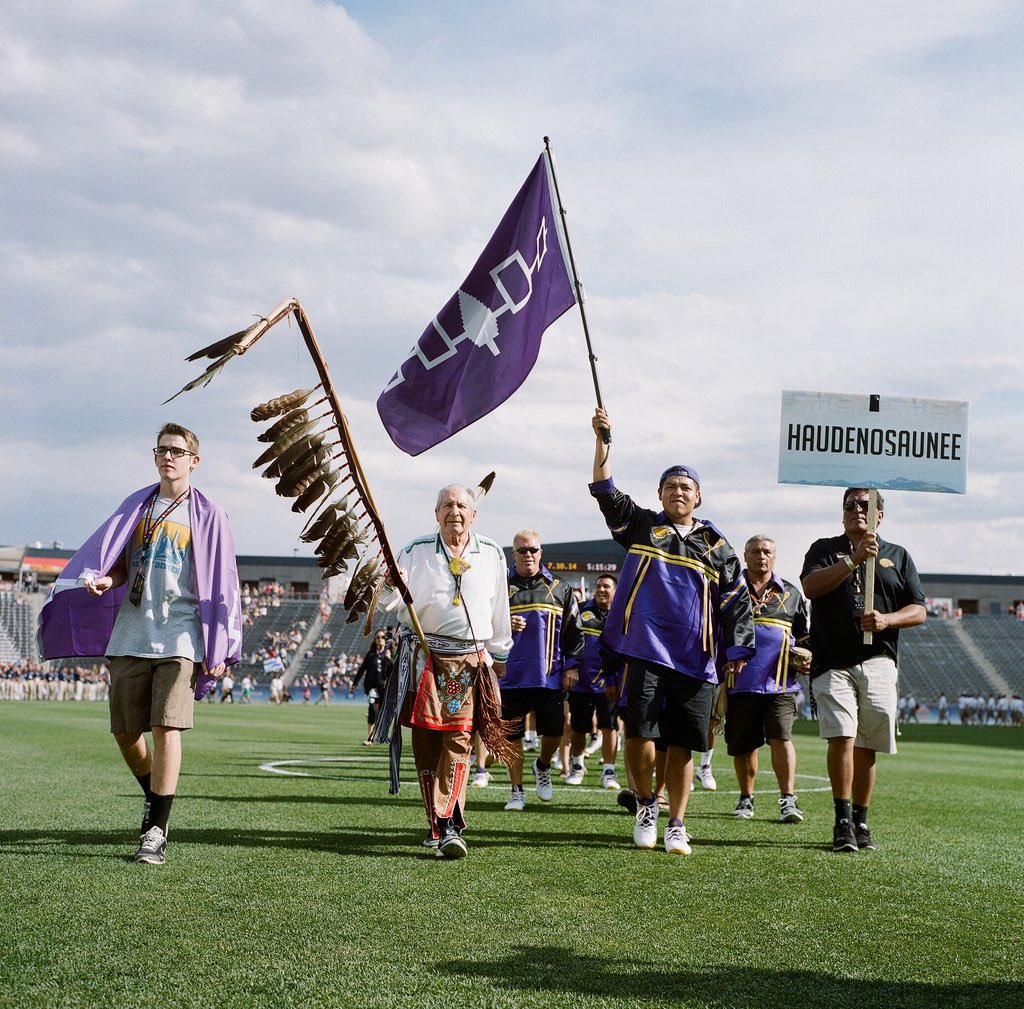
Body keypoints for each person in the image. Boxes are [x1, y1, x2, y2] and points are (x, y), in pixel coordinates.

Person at [37, 423, 242, 865]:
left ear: (194, 461)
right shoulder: (136, 507)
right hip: (132, 631)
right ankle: (155, 794)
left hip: (182, 633)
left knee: (167, 726)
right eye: (162, 450)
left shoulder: (210, 515)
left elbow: (226, 581)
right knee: (126, 731)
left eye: (177, 451)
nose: (168, 456)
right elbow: (122, 565)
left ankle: (156, 830)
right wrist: (106, 579)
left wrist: (222, 643)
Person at [589, 407, 755, 855]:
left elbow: (736, 601)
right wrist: (602, 441)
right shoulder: (643, 526)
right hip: (645, 651)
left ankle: (677, 823)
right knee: (639, 734)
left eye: (685, 487)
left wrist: (738, 651)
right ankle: (647, 804)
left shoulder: (718, 547)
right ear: (659, 494)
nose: (677, 492)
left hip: (696, 658)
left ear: (698, 497)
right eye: (670, 486)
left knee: (683, 744)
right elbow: (604, 490)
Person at [386, 484, 514, 859]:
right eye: (447, 505)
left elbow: (499, 607)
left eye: (461, 505)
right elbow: (390, 603)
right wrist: (391, 582)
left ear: (474, 514)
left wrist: (499, 653)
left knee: (458, 739)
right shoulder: (415, 551)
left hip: (468, 662)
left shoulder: (491, 552)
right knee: (426, 742)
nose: (454, 511)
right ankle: (435, 823)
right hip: (424, 657)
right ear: (436, 513)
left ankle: (450, 825)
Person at [801, 487, 926, 853]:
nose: (857, 509)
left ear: (879, 515)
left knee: (868, 741)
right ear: (842, 514)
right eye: (850, 504)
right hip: (832, 659)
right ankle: (842, 821)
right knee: (842, 735)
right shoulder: (823, 549)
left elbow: (919, 609)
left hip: (879, 658)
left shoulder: (898, 555)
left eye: (865, 505)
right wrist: (853, 560)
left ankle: (861, 820)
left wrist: (887, 620)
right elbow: (810, 587)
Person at [724, 535, 811, 823]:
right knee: (744, 744)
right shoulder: (731, 589)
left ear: (774, 557)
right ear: (745, 556)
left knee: (781, 738)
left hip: (781, 683)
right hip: (739, 681)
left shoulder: (791, 593)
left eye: (767, 551)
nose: (761, 556)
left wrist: (807, 655)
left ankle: (788, 799)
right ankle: (745, 798)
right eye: (755, 551)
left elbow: (804, 634)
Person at [500, 530, 584, 811]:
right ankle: (516, 790)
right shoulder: (500, 587)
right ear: (513, 554)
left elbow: (575, 631)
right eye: (522, 550)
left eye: (533, 550)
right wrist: (504, 623)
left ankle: (543, 765)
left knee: (555, 730)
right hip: (510, 675)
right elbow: (483, 624)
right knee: (511, 735)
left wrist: (572, 666)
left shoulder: (560, 587)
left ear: (541, 552)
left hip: (549, 675)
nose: (528, 555)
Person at [566, 574, 622, 791]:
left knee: (609, 727)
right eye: (598, 586)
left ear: (615, 591)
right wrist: (570, 667)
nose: (601, 590)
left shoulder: (622, 614)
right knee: (578, 727)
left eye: (606, 586)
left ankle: (609, 772)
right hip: (582, 682)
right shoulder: (580, 610)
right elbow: (569, 641)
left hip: (609, 683)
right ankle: (577, 767)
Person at [352, 631, 392, 743]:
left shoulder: (389, 654)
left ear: (385, 640)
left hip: (384, 688)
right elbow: (362, 669)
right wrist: (354, 683)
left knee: (382, 713)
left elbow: (393, 671)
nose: (380, 639)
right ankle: (370, 738)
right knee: (373, 710)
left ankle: (382, 736)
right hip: (372, 688)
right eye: (377, 637)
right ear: (375, 640)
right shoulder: (370, 655)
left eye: (382, 637)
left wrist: (389, 659)